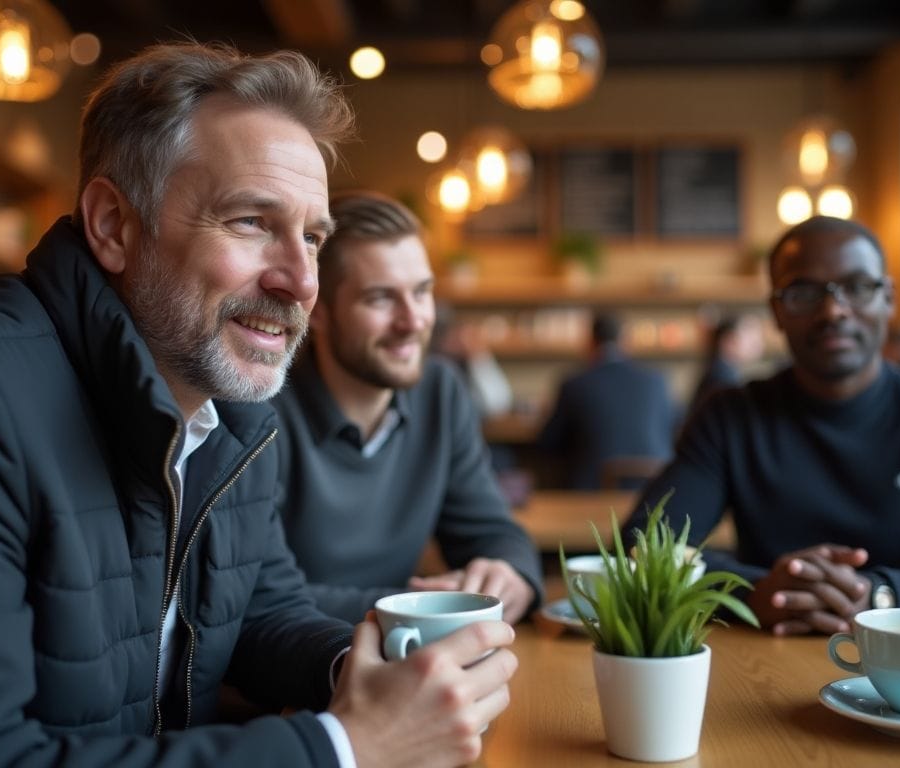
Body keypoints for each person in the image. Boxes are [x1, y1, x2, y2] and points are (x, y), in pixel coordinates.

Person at [0, 43, 517, 767]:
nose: (299, 281)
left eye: (313, 238)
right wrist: (349, 746)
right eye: (252, 221)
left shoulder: (231, 412)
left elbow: (260, 611)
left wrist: (380, 676)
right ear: (113, 226)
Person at [627, 216, 900, 637]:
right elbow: (641, 549)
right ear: (777, 311)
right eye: (804, 292)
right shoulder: (731, 417)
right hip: (764, 661)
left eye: (857, 287)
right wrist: (758, 592)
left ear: (888, 298)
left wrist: (881, 596)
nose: (833, 310)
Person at [271, 191, 542, 625]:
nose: (413, 321)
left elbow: (492, 531)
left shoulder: (440, 392)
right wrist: (420, 607)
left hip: (410, 656)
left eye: (422, 292)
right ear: (317, 310)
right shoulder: (265, 409)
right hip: (290, 682)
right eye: (381, 298)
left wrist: (508, 574)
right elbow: (257, 598)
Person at [537, 311, 679, 490]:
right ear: (625, 341)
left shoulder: (574, 384)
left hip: (588, 494)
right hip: (654, 490)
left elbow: (548, 443)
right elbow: (675, 429)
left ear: (590, 343)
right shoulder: (657, 381)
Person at [686, 313, 765, 426]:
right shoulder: (722, 379)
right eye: (752, 337)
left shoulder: (720, 372)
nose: (758, 343)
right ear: (729, 341)